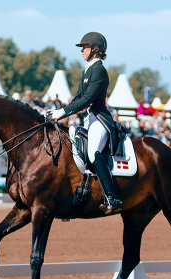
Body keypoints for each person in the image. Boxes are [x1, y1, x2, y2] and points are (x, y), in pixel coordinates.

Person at [50, 32, 121, 214]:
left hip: (99, 119)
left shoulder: (99, 71)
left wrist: (62, 113)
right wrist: (58, 111)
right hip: (88, 120)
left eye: (85, 47)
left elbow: (88, 99)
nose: (82, 50)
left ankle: (112, 197)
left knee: (92, 152)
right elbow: (78, 98)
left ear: (95, 50)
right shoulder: (87, 70)